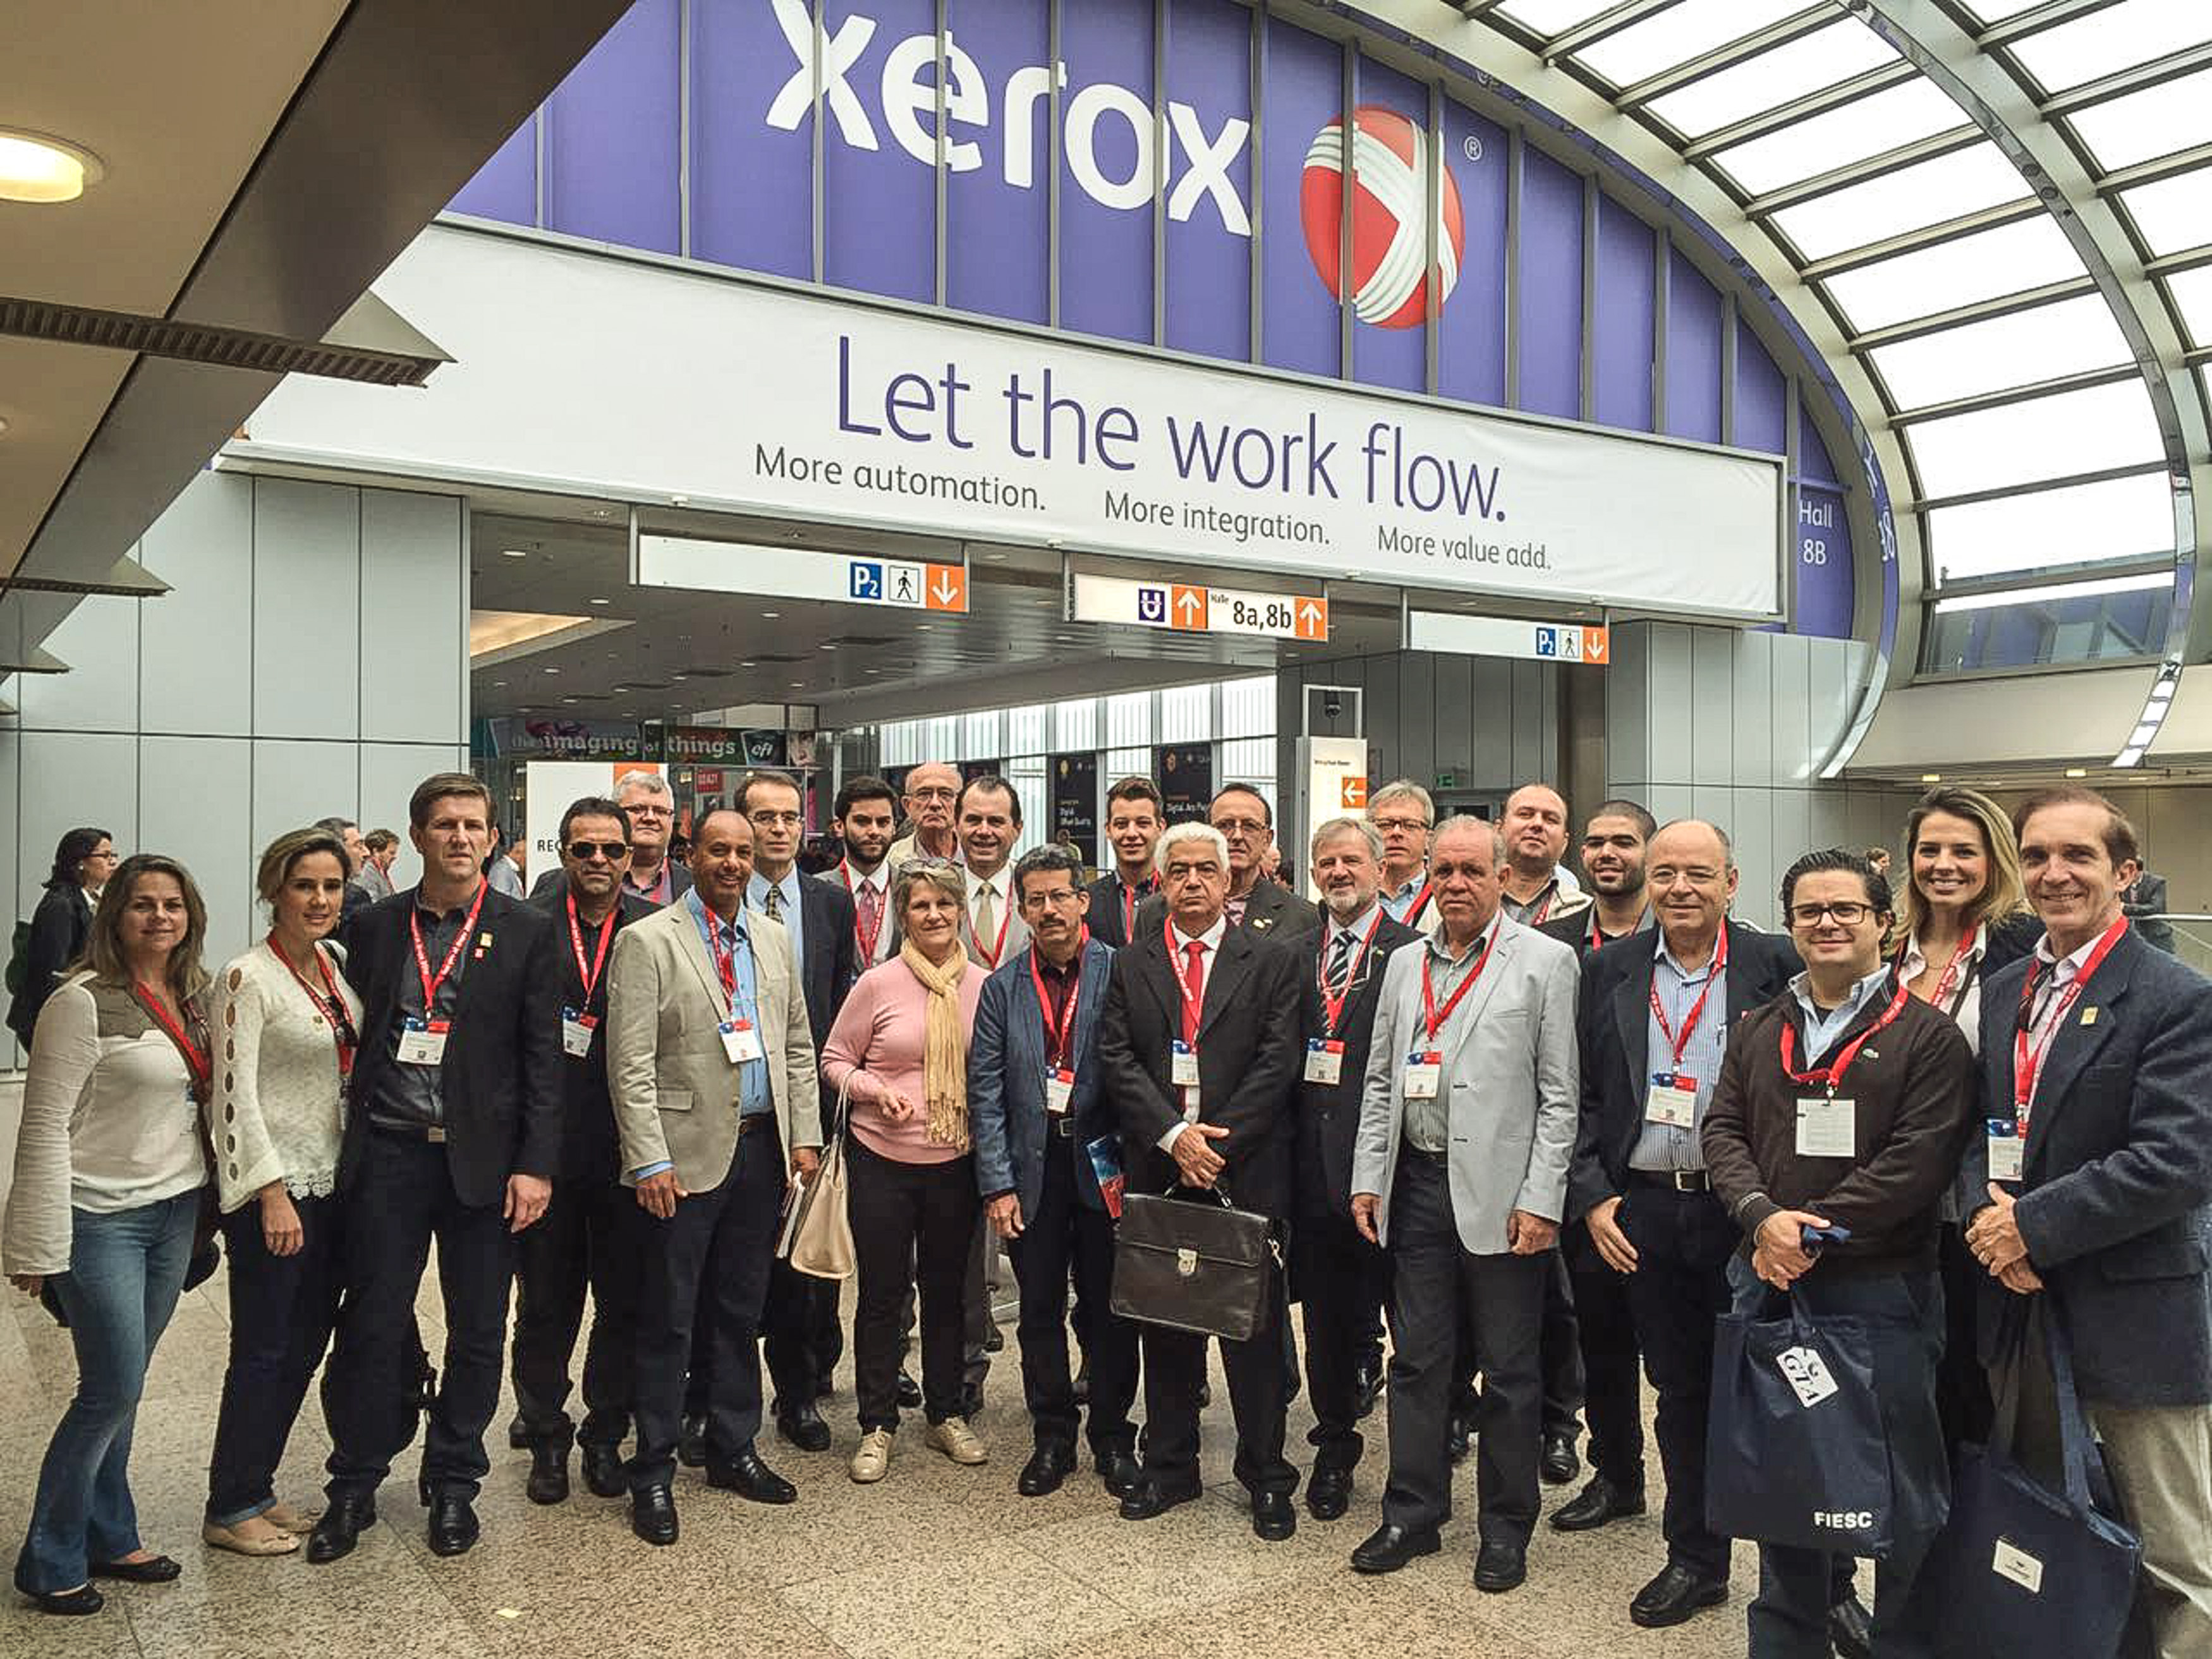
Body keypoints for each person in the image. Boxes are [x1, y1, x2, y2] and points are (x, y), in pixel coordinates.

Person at [1570, 820, 1841, 1633]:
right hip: (1649, 1210)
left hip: (1751, 1215)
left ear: (1730, 881)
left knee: (1786, 1395)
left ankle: (1823, 1584)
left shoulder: (1778, 965)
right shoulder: (1608, 969)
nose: (1678, 888)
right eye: (1664, 874)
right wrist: (1594, 1196)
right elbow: (1580, 1093)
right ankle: (1694, 1558)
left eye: (1697, 873)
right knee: (1680, 1395)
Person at [1705, 849, 1975, 1658]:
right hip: (1770, 1287)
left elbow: (1916, 1163)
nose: (1825, 923)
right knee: (1784, 1478)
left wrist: (1803, 1230)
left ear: (1882, 923)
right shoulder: (1759, 1027)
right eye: (1809, 912)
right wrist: (1762, 1220)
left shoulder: (1927, 1038)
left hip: (1879, 1295)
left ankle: (1904, 1643)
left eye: (1845, 910)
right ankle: (1787, 1639)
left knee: (1900, 1489)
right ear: (1789, 926)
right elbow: (1721, 1132)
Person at [1962, 786, 2212, 1659]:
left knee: (2175, 1553)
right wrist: (1986, 1221)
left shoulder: (2176, 995)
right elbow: (1981, 1130)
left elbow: (2177, 1161)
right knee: (2045, 1528)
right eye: (2036, 856)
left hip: (2135, 1307)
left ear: (2126, 873)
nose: (2053, 874)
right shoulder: (2005, 989)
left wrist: (2031, 1227)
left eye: (2078, 855)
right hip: (2021, 1302)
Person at [307, 773, 562, 1565]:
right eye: (445, 825)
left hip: (485, 1163)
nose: (459, 838)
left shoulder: (527, 929)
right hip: (390, 1152)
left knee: (478, 1329)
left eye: (473, 826)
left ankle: (455, 1480)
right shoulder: (375, 924)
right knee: (373, 1322)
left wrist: (536, 1165)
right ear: (417, 836)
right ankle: (354, 1478)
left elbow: (543, 1058)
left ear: (492, 838)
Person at [1345, 816, 1578, 1594]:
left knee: (1510, 1371)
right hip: (1415, 1186)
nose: (1453, 885)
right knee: (1416, 1361)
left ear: (1501, 877)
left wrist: (1542, 1199)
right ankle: (1412, 1513)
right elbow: (1381, 1080)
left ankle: (1505, 1529)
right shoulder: (1403, 962)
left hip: (1505, 1198)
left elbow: (1560, 1097)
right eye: (1442, 871)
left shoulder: (1544, 962)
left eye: (1471, 871)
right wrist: (1368, 1178)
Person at [606, 808, 820, 1547]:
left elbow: (796, 1042)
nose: (732, 863)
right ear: (689, 855)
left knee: (739, 1310)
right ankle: (653, 1468)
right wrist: (648, 1159)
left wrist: (804, 1136)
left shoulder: (771, 937)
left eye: (743, 852)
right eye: (718, 850)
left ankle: (733, 1447)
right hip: (681, 1161)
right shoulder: (648, 941)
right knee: (668, 1317)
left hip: (760, 1155)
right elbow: (628, 1064)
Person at [5, 854, 212, 1616]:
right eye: (142, 904)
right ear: (114, 915)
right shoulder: (80, 1001)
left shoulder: (196, 994)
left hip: (175, 1212)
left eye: (173, 905)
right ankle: (51, 1556)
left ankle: (111, 1533)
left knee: (128, 1383)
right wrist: (33, 1244)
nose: (159, 917)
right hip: (100, 1218)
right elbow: (43, 1124)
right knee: (110, 1387)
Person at [1098, 820, 1304, 1539]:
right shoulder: (1132, 963)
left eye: (1205, 870)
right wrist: (1173, 1136)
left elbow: (1279, 1060)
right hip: (1161, 1164)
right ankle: (1171, 1466)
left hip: (1243, 1168)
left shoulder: (1271, 960)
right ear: (1161, 882)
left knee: (1253, 1332)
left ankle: (1266, 1474)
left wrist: (1217, 1142)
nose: (1192, 882)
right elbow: (1117, 1057)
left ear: (1228, 881)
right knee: (1168, 1325)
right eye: (1179, 870)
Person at [202, 829, 363, 1557]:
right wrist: (269, 1194)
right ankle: (229, 1503)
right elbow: (232, 1099)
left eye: (331, 886)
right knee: (263, 1348)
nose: (320, 900)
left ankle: (256, 1486)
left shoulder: (333, 963)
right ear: (274, 891)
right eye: (304, 886)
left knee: (303, 1346)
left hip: (331, 1183)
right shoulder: (246, 977)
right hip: (278, 1192)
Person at [969, 844, 1141, 1498]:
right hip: (1031, 1170)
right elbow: (985, 1093)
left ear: (1082, 901)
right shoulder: (1001, 988)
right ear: (1022, 909)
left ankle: (1112, 1436)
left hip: (1104, 1167)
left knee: (1109, 1310)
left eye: (1059, 896)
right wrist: (996, 1184)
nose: (1048, 910)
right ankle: (1052, 1436)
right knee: (1038, 1310)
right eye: (1035, 899)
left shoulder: (1120, 971)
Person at [821, 858, 988, 1483]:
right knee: (883, 1295)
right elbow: (834, 1059)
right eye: (921, 905)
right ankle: (877, 1422)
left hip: (956, 1164)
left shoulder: (984, 985)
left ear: (960, 911)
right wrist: (872, 1089)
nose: (934, 915)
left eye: (945, 904)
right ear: (903, 915)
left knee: (947, 1294)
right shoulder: (877, 984)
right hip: (881, 1161)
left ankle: (947, 1412)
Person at [506, 799, 653, 1507]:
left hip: (628, 1150)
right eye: (584, 848)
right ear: (562, 853)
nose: (599, 860)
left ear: (631, 856)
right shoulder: (525, 926)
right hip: (547, 1152)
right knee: (545, 1305)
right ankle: (545, 1433)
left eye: (612, 849)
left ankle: (604, 1432)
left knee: (624, 1302)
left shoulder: (654, 929)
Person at [1888, 786, 2038, 1455]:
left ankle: (1975, 1509)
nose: (1943, 865)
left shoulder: (2024, 948)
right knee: (1901, 1371)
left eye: (1963, 851)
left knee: (1972, 1374)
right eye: (1929, 850)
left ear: (1993, 859)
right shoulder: (1887, 944)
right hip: (1889, 1191)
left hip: (1977, 1194)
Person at [1293, 817, 1419, 1520]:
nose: (1338, 872)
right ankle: (1334, 1446)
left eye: (1351, 860)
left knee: (1413, 1326)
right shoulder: (1290, 952)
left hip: (1394, 1173)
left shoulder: (1413, 952)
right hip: (1313, 1178)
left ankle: (1418, 1461)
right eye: (1326, 862)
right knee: (1327, 1327)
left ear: (1379, 870)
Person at [1541, 799, 1655, 1539]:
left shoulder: (1698, 943)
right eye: (1595, 842)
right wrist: (1587, 1192)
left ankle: (1709, 1491)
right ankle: (1616, 1476)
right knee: (1603, 1345)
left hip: (1684, 1183)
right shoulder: (1554, 945)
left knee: (1687, 1360)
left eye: (1624, 842)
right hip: (1592, 1182)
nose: (1607, 853)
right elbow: (1556, 1078)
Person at [737, 769, 858, 1455]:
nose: (779, 828)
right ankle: (718, 1398)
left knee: (800, 1268)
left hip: (808, 1105)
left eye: (789, 816)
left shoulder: (829, 903)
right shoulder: (718, 893)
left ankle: (798, 1393)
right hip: (737, 1101)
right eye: (765, 817)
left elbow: (837, 1002)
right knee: (730, 1263)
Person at [1133, 784, 1320, 944]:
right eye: (1225, 825)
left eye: (1250, 826)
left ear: (1267, 839)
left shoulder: (1302, 918)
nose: (1237, 836)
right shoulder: (1154, 912)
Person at [8, 827, 116, 1046]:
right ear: (81, 862)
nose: (113, 862)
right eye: (105, 856)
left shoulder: (91, 900)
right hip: (50, 1019)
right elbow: (51, 973)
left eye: (114, 855)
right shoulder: (60, 905)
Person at [953, 774, 1028, 971]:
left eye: (996, 822)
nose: (984, 831)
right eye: (973, 820)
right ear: (956, 826)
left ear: (1018, 829)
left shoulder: (1035, 890)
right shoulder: (938, 890)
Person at [829, 774, 900, 968]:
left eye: (883, 822)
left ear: (894, 827)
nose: (874, 831)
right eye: (862, 822)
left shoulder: (911, 886)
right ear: (840, 826)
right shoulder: (816, 890)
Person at [1086, 775, 1165, 948]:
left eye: (1142, 824)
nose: (1131, 834)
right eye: (1121, 825)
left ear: (1160, 828)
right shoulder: (1088, 901)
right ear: (1108, 830)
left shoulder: (1178, 895)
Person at [1368, 779, 1438, 933]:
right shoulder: (1354, 895)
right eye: (1385, 825)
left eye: (1410, 825)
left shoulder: (1444, 896)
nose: (1396, 832)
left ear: (1429, 839)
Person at [886, 762, 961, 868]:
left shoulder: (977, 854)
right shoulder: (888, 860)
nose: (935, 803)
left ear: (960, 804)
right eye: (924, 794)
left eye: (945, 794)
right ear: (907, 805)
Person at [2120, 861, 2177, 954]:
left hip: (2157, 936)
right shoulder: (2123, 883)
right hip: (2133, 935)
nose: (2126, 875)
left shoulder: (2157, 882)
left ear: (2137, 870)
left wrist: (2125, 908)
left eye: (2129, 871)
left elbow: (2155, 908)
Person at [353, 829, 399, 903]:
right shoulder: (368, 872)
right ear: (376, 852)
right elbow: (372, 905)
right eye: (391, 853)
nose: (395, 857)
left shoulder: (379, 872)